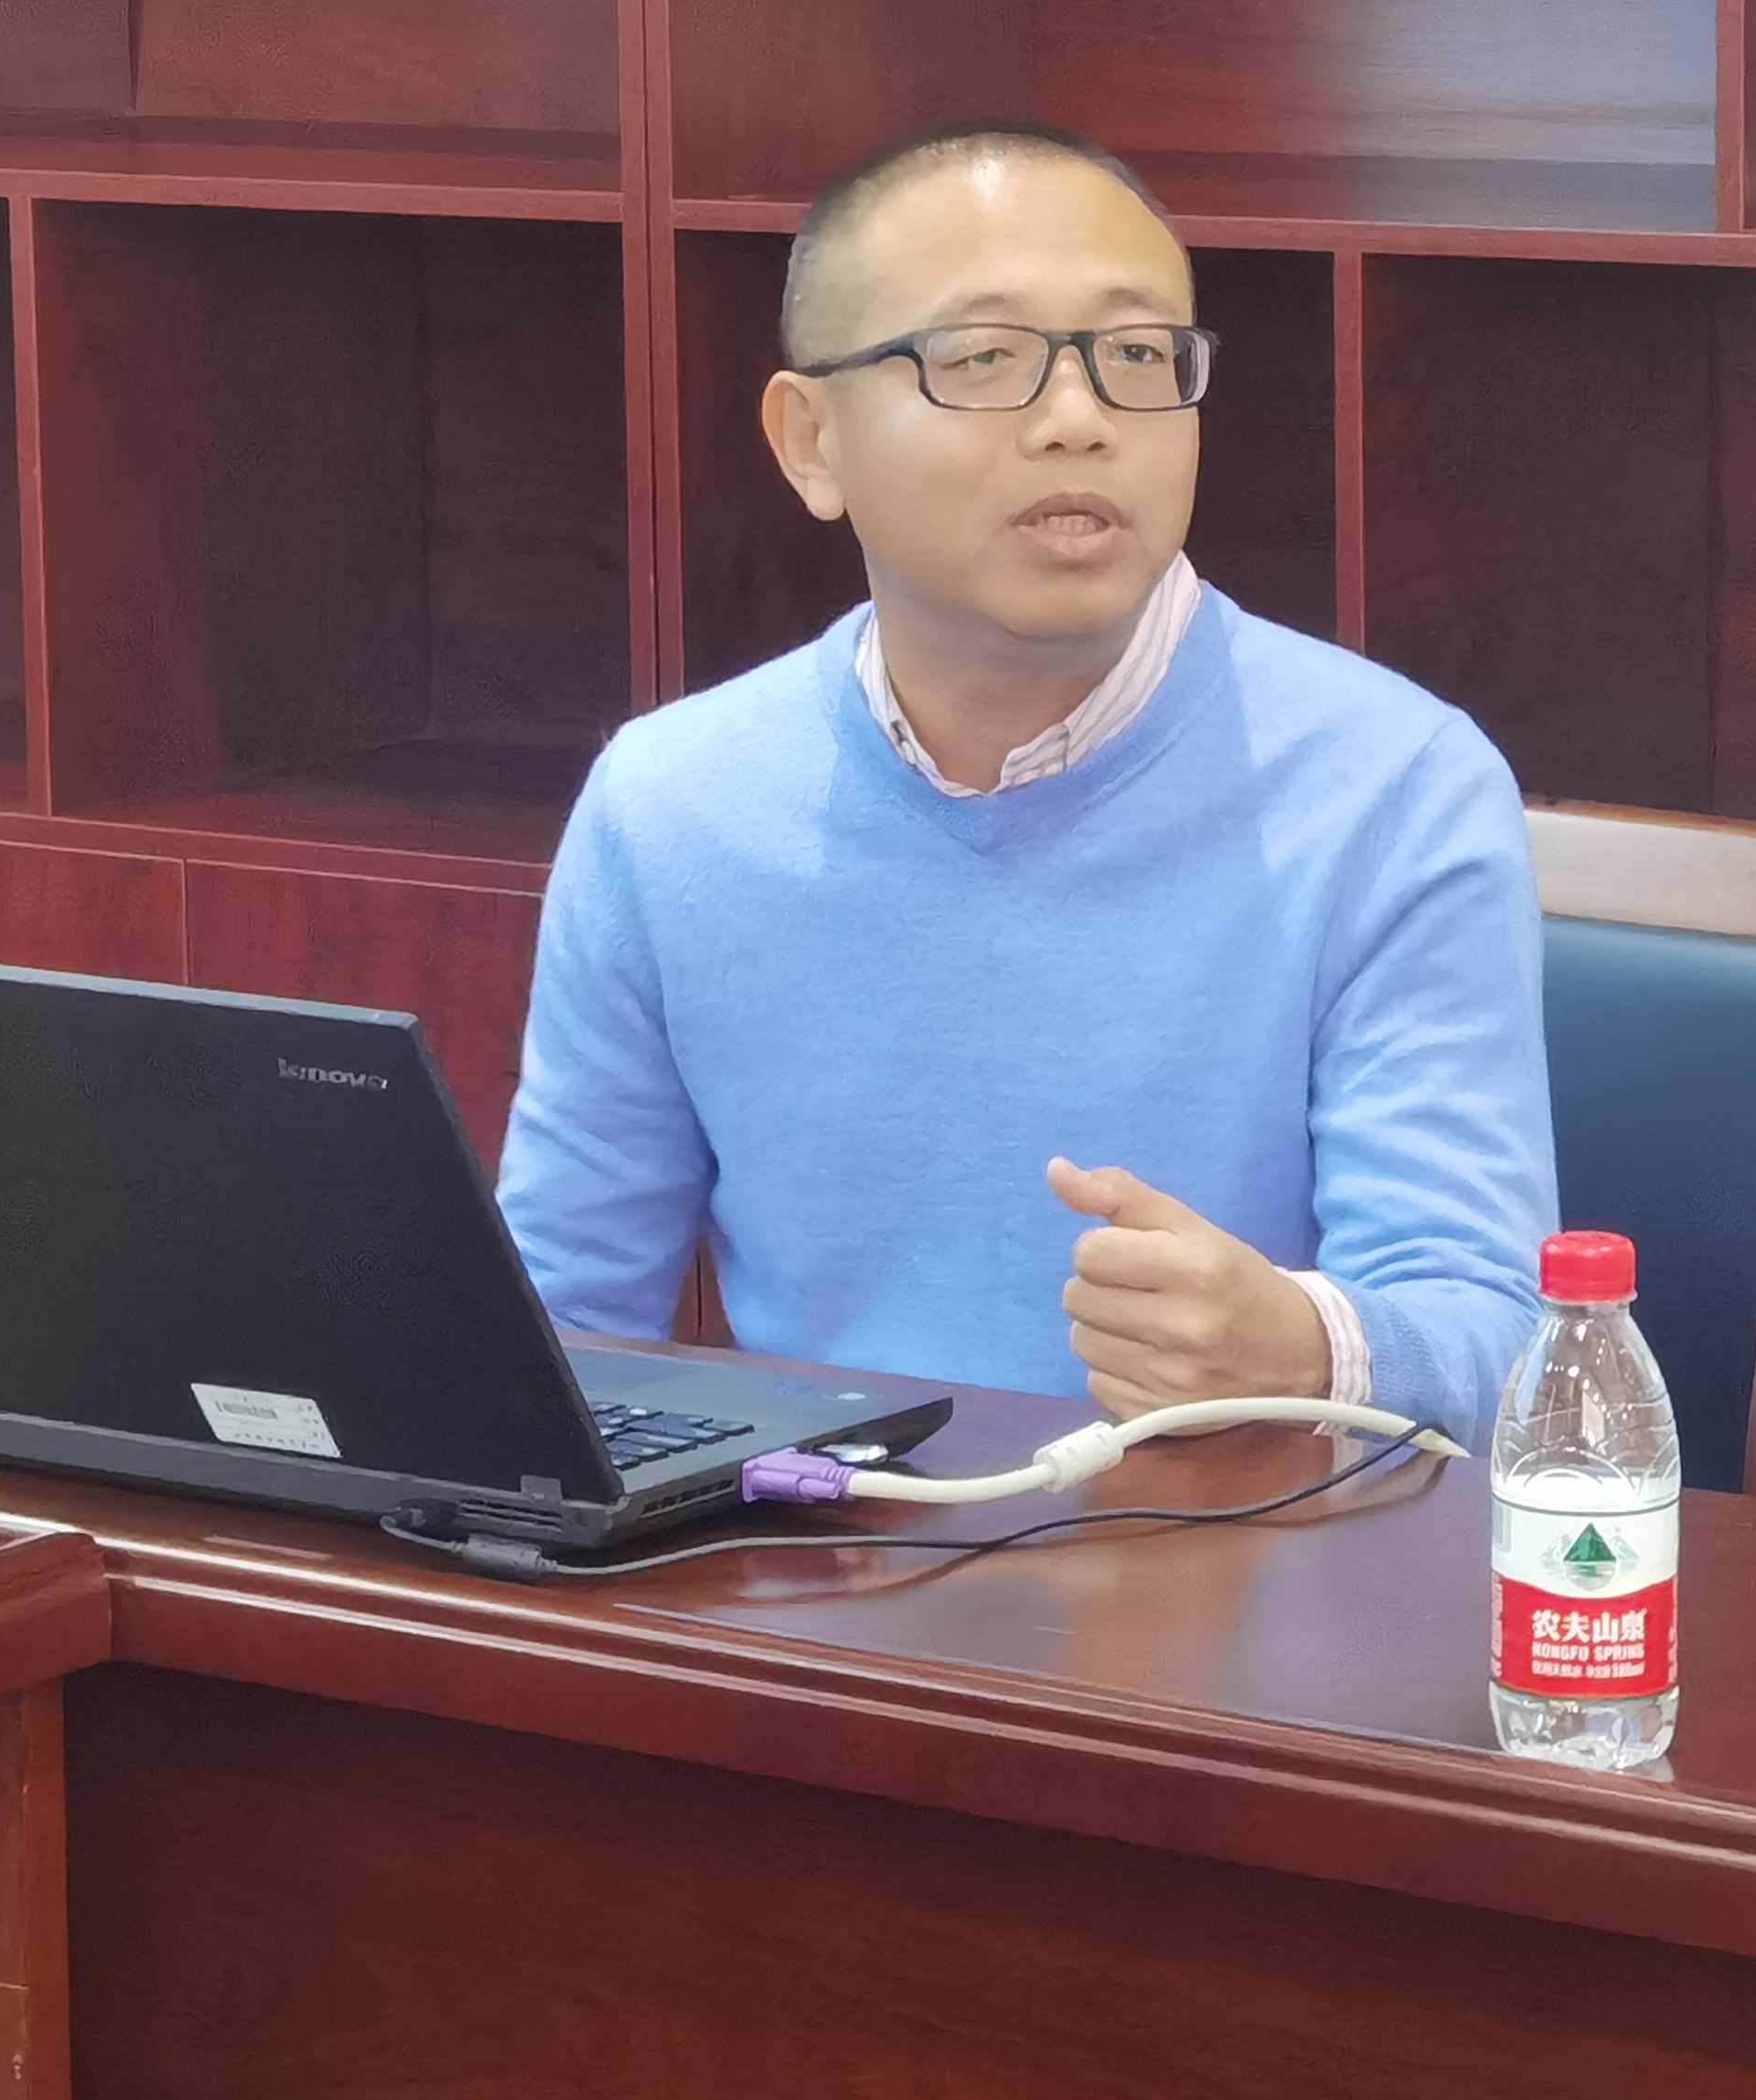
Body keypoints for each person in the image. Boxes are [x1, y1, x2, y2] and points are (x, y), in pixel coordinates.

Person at [496, 120, 1555, 1438]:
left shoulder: (1396, 788)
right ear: (811, 440)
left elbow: (1505, 1339)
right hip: (821, 1545)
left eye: (1137, 357)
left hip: (1249, 1550)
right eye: (983, 359)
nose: (1077, 421)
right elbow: (554, 1331)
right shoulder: (670, 808)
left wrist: (1306, 1347)